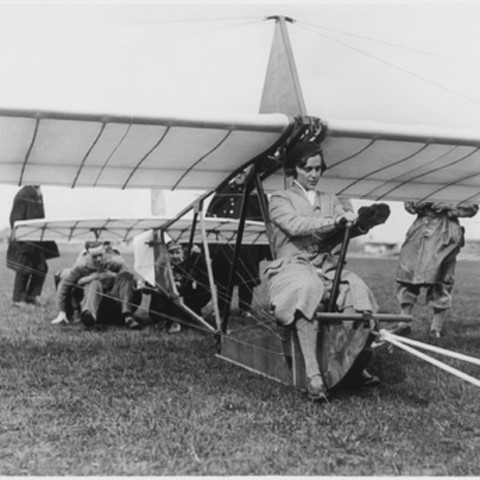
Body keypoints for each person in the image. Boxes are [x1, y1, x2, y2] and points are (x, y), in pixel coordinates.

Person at [265, 141, 390, 401]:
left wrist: (362, 225)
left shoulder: (331, 198)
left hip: (326, 263)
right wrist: (336, 220)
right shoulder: (279, 199)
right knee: (307, 290)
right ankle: (313, 375)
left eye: (318, 169)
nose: (313, 175)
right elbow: (296, 225)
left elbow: (339, 233)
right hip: (293, 263)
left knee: (358, 291)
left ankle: (354, 365)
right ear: (293, 170)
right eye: (307, 169)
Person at [394, 201, 478, 338]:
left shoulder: (455, 183)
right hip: (420, 229)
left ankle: (435, 329)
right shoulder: (420, 182)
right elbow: (408, 205)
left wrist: (449, 205)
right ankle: (403, 324)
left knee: (441, 279)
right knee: (407, 275)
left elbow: (473, 207)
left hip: (445, 231)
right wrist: (416, 204)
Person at [206, 168, 270, 318]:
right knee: (223, 277)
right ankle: (222, 308)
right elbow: (211, 215)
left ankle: (245, 307)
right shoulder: (223, 191)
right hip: (225, 242)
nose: (240, 175)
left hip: (248, 243)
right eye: (238, 172)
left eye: (244, 172)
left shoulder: (255, 192)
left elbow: (263, 217)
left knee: (246, 277)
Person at [51, 241, 143, 330]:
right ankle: (89, 316)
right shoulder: (81, 265)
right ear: (87, 253)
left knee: (125, 275)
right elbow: (65, 284)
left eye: (100, 255)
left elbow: (130, 275)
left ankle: (128, 316)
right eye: (95, 257)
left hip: (116, 300)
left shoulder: (114, 260)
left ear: (104, 251)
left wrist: (138, 281)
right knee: (94, 283)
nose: (99, 259)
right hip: (95, 302)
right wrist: (62, 311)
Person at [6, 185, 59, 308]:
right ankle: (18, 299)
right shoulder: (24, 193)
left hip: (37, 239)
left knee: (41, 267)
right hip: (25, 239)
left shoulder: (38, 193)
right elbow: (15, 218)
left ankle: (32, 296)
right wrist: (21, 236)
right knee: (24, 268)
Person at [149, 241, 211, 333]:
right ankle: (163, 320)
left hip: (183, 301)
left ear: (183, 254)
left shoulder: (188, 268)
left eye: (177, 252)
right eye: (171, 253)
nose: (175, 256)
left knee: (179, 291)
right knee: (159, 290)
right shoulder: (161, 267)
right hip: (163, 303)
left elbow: (194, 284)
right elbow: (150, 286)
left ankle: (176, 321)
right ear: (166, 254)